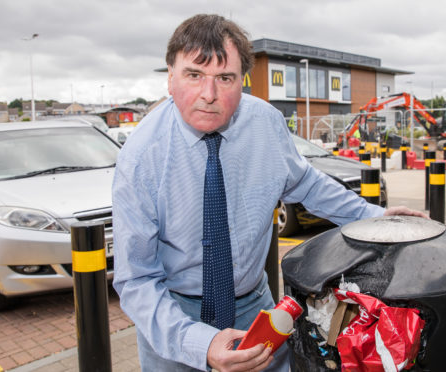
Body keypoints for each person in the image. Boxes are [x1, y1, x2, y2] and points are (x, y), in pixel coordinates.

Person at [112, 14, 427, 372]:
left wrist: (375, 217)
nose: (209, 94)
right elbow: (137, 279)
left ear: (242, 81)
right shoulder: (141, 157)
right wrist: (197, 343)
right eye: (194, 75)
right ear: (170, 77)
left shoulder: (264, 123)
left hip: (255, 311)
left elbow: (306, 183)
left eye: (225, 78)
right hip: (173, 320)